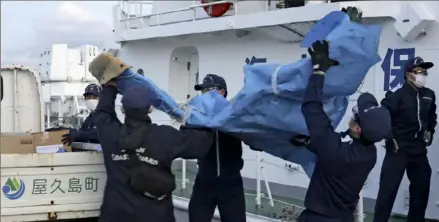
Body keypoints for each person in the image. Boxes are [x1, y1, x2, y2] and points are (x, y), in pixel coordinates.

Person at [292, 40, 391, 222]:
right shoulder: (370, 154)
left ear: (357, 127)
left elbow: (311, 107)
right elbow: (333, 145)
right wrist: (310, 143)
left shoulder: (335, 150)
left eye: (355, 115)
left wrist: (318, 72)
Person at [94, 82, 214, 222]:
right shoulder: (165, 136)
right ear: (150, 108)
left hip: (115, 214)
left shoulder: (110, 133)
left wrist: (110, 87)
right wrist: (196, 118)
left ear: (123, 109)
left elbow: (102, 112)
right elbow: (200, 145)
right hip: (156, 215)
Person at [373, 57, 436, 222]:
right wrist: (389, 138)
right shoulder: (397, 95)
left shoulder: (429, 95)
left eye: (425, 72)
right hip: (398, 149)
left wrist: (430, 130)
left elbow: (432, 116)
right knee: (388, 190)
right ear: (409, 75)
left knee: (421, 187)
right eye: (419, 72)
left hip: (418, 149)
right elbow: (383, 116)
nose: (423, 75)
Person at [188, 74, 249, 222]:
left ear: (222, 92)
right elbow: (185, 144)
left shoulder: (236, 115)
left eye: (210, 90)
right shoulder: (196, 118)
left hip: (231, 186)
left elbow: (255, 138)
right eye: (203, 92)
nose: (205, 96)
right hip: (203, 183)